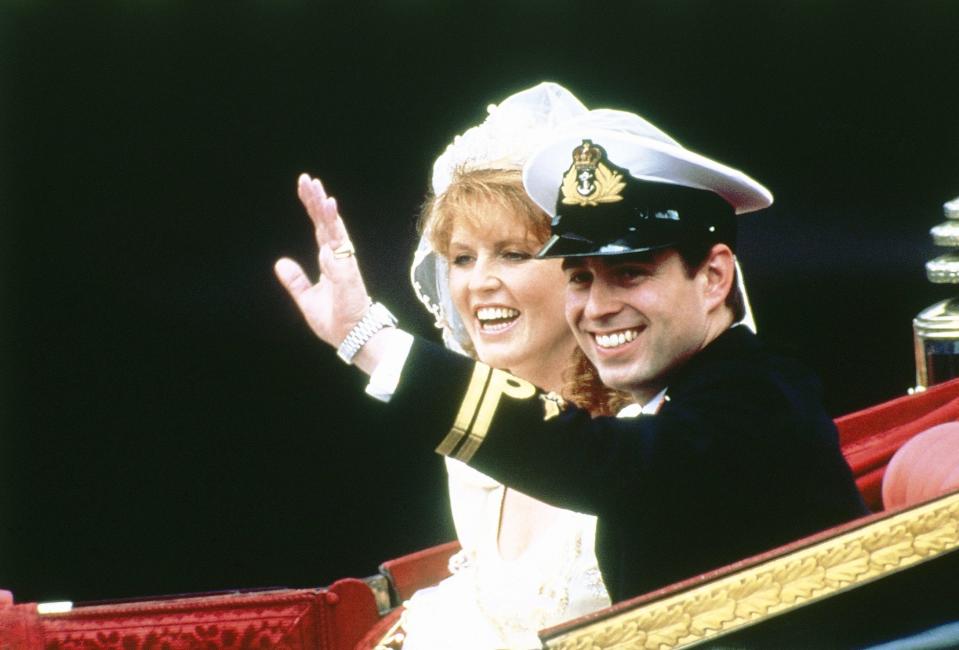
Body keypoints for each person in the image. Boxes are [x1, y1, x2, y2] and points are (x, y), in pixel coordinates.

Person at [274, 101, 868, 606]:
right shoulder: (681, 392)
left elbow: (606, 462)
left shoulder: (763, 395)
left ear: (713, 279)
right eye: (580, 278)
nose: (597, 307)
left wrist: (372, 341)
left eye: (630, 274)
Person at [395, 83, 617, 649]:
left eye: (513, 254)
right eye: (463, 259)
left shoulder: (647, 432)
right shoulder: (471, 459)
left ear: (584, 270)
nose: (477, 282)